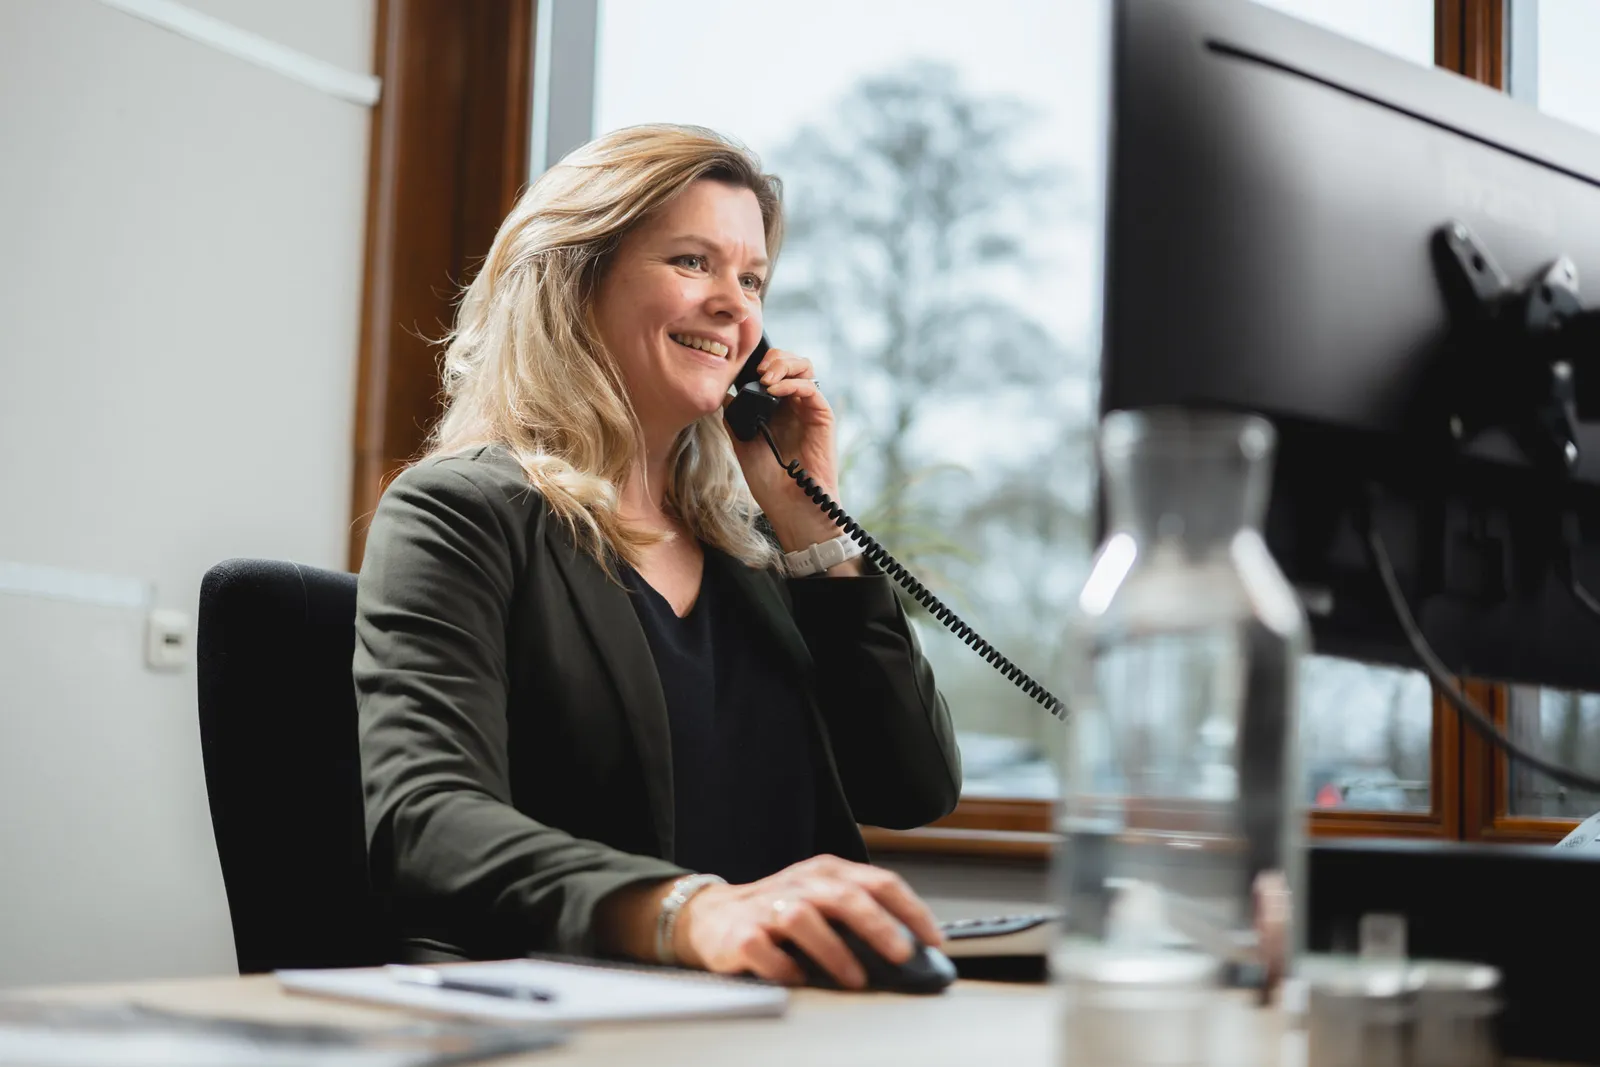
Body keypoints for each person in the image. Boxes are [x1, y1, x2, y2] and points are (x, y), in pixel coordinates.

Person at [354, 124, 962, 989]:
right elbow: (426, 821)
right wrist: (690, 911)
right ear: (573, 280)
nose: (735, 306)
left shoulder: (761, 556)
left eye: (752, 279)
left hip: (787, 1017)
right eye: (692, 262)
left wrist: (813, 526)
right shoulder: (460, 512)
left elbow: (912, 786)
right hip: (574, 1007)